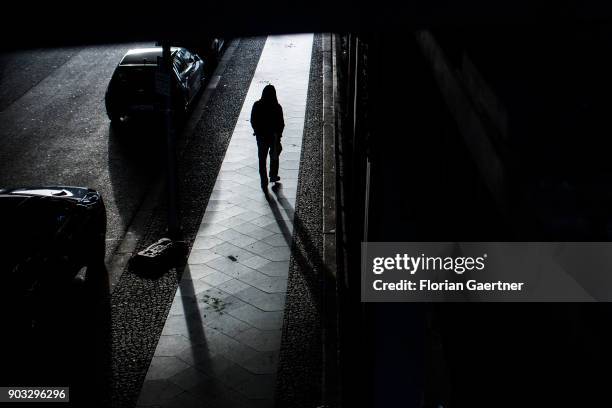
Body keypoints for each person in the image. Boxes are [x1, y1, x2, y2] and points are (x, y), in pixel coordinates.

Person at [250, 84, 285, 191]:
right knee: (274, 156)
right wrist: (279, 135)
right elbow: (281, 123)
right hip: (273, 137)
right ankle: (273, 175)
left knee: (262, 159)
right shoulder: (277, 107)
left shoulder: (257, 105)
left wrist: (257, 131)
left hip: (261, 137)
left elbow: (253, 120)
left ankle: (263, 181)